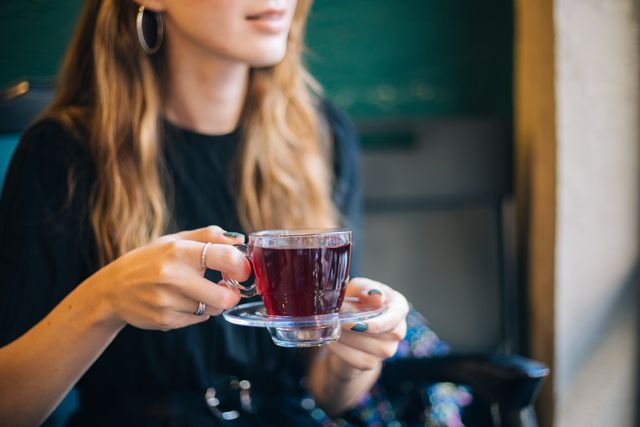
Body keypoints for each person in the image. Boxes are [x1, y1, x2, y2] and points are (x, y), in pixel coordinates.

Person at [0, 1, 409, 426]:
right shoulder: (62, 153)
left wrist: (355, 358)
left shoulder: (324, 137)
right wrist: (105, 302)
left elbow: (329, 396)